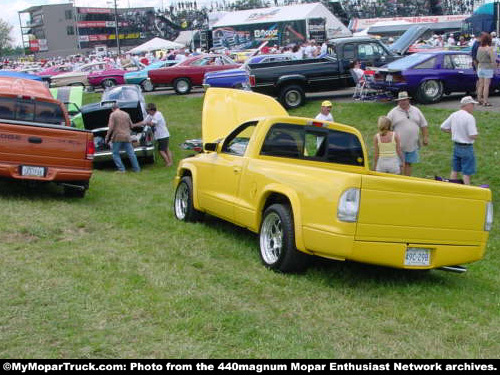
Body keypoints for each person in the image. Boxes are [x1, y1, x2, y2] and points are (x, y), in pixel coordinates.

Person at [386, 91, 429, 176]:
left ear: (408, 100)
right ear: (398, 101)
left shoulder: (416, 110)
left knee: (409, 163)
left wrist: (425, 137)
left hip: (412, 144)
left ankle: (407, 181)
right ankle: (399, 182)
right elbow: (386, 128)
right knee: (399, 165)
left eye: (405, 100)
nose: (403, 102)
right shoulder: (392, 113)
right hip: (398, 146)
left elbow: (424, 125)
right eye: (401, 100)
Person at [440, 96, 479, 185]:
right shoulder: (470, 117)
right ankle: (467, 190)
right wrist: (477, 133)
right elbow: (472, 135)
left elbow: (443, 127)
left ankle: (451, 187)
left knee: (455, 169)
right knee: (466, 172)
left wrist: (453, 131)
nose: (473, 107)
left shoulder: (454, 115)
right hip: (467, 148)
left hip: (456, 146)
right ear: (467, 105)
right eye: (472, 104)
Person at [105, 103, 141, 173]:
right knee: (131, 153)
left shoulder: (113, 114)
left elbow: (111, 127)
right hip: (127, 136)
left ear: (112, 109)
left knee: (115, 153)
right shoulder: (126, 114)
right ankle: (137, 169)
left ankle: (122, 169)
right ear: (118, 108)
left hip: (117, 137)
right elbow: (132, 125)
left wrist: (107, 136)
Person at [139, 103, 173, 167]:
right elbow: (144, 122)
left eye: (148, 110)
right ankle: (170, 162)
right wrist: (134, 125)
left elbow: (152, 124)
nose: (147, 112)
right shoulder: (150, 115)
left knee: (161, 150)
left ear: (152, 110)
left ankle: (168, 163)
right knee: (166, 149)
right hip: (160, 135)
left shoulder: (158, 115)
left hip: (163, 135)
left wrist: (146, 123)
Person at [476, 32, 497, 106]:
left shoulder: (479, 48)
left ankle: (479, 100)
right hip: (487, 68)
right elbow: (493, 60)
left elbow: (477, 58)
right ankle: (485, 101)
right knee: (486, 85)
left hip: (480, 67)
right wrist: (495, 68)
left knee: (480, 85)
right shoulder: (490, 49)